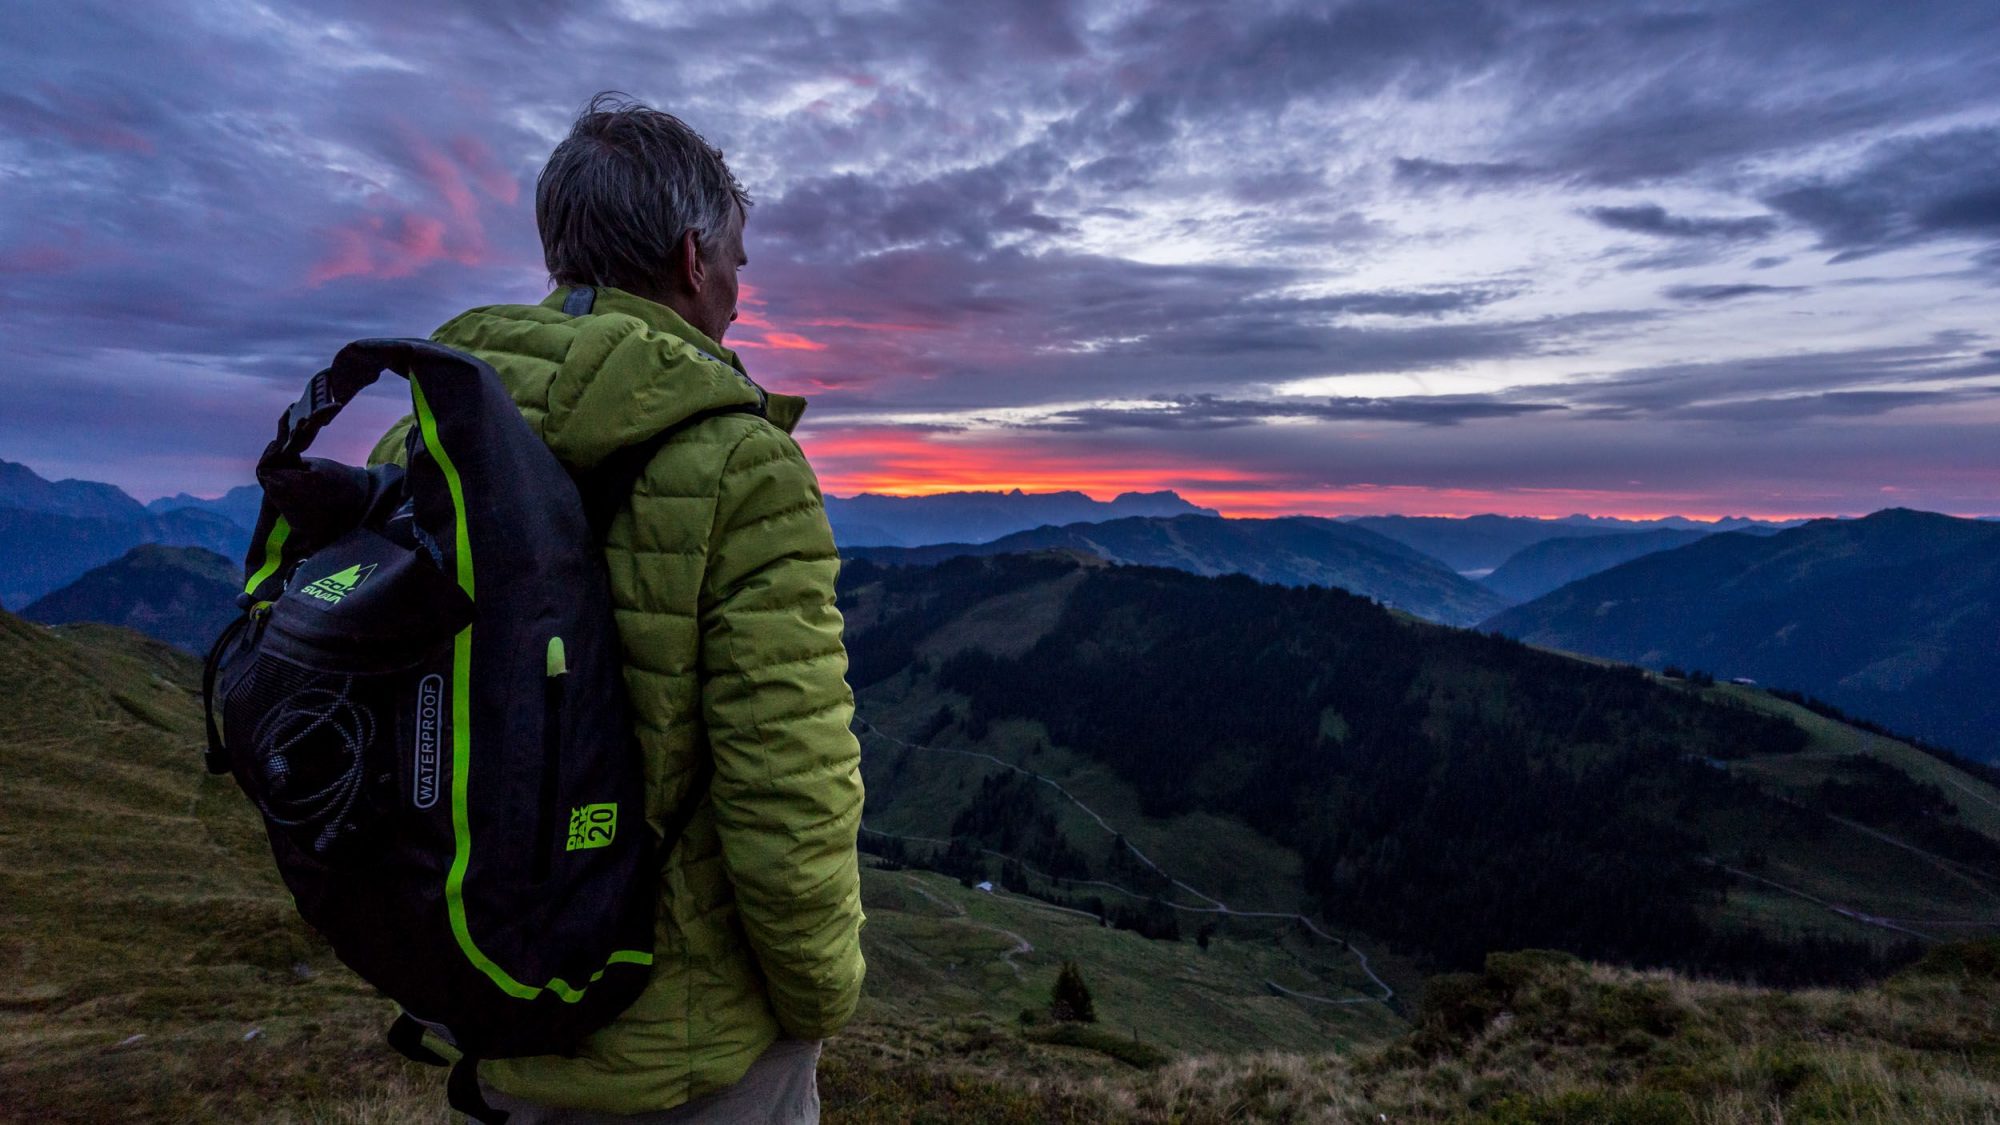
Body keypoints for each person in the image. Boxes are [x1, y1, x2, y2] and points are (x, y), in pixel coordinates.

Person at [368, 93, 865, 1123]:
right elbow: (789, 780)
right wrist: (820, 995)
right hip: (690, 1043)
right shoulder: (742, 464)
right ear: (692, 259)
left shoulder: (424, 441)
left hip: (490, 993)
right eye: (735, 255)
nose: (740, 281)